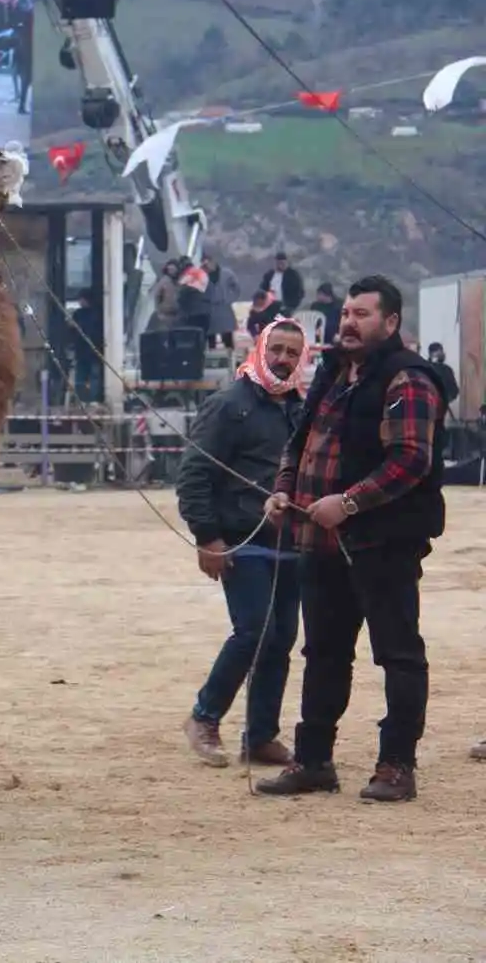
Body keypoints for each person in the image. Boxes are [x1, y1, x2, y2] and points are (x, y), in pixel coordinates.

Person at [259, 275, 445, 802]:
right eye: (346, 313)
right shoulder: (334, 372)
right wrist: (282, 489)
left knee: (398, 654)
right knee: (322, 654)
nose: (349, 322)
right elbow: (299, 441)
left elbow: (411, 459)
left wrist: (349, 502)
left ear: (390, 323)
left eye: (362, 314)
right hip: (319, 544)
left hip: (383, 543)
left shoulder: (408, 379)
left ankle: (396, 767)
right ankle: (314, 762)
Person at [178, 318, 308, 767]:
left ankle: (259, 737)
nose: (283, 359)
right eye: (277, 348)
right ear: (260, 348)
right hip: (242, 540)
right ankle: (204, 716)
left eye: (293, 352)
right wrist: (207, 537)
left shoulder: (300, 410)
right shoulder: (228, 404)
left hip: (291, 543)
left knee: (282, 640)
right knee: (256, 631)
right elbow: (194, 474)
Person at [69, 291, 103, 403]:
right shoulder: (85, 314)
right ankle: (85, 399)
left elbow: (74, 331)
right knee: (84, 378)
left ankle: (87, 399)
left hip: (89, 351)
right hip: (89, 351)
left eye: (80, 299)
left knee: (89, 377)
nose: (79, 302)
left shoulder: (90, 314)